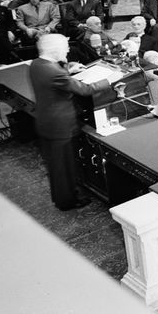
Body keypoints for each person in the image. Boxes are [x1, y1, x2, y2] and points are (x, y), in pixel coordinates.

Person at [29, 33, 112, 210]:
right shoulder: (54, 72)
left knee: (57, 165)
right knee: (63, 166)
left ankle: (64, 197)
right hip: (60, 126)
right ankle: (67, 202)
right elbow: (86, 89)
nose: (67, 51)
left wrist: (68, 71)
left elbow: (57, 79)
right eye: (65, 49)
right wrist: (110, 79)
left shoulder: (37, 64)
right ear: (55, 50)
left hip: (47, 122)